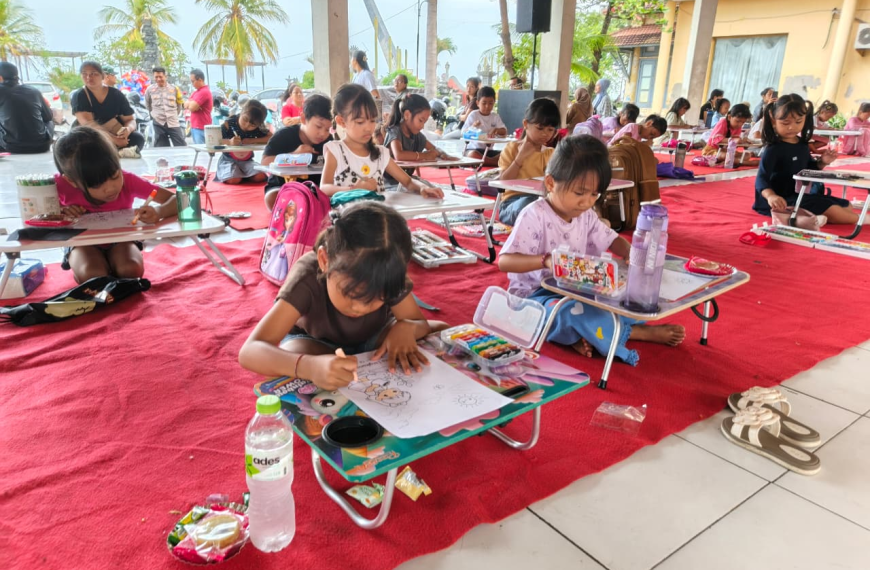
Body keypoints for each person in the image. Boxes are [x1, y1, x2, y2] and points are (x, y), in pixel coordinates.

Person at [498, 135, 685, 364]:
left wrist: (629, 252)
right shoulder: (534, 215)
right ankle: (634, 334)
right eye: (579, 193)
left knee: (620, 299)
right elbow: (505, 261)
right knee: (559, 313)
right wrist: (546, 261)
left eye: (594, 194)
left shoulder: (586, 215)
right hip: (536, 295)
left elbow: (613, 239)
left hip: (577, 289)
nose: (586, 202)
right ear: (550, 183)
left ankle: (580, 336)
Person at [239, 201, 448, 387]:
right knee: (289, 355)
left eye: (378, 298)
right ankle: (327, 366)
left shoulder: (389, 272)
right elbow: (250, 351)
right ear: (324, 261)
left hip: (374, 339)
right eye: (353, 294)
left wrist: (405, 328)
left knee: (441, 332)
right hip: (317, 344)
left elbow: (418, 322)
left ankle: (345, 364)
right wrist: (308, 367)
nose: (360, 308)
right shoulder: (306, 276)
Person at [53, 127, 177, 283]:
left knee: (131, 270)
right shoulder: (59, 185)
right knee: (93, 276)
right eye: (97, 185)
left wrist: (159, 212)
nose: (110, 188)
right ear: (72, 181)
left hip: (121, 240)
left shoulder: (128, 180)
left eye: (114, 176)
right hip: (81, 242)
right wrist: (61, 212)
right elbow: (36, 216)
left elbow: (180, 200)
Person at [320, 83, 443, 198]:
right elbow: (324, 187)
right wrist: (353, 189)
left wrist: (422, 187)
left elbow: (408, 181)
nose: (368, 128)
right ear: (341, 121)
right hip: (347, 218)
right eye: (360, 122)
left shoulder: (380, 153)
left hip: (377, 218)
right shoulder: (336, 150)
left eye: (372, 120)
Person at [754, 94, 857, 225]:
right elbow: (761, 178)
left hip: (800, 194)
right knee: (835, 211)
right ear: (773, 120)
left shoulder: (802, 145)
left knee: (846, 205)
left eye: (798, 122)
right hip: (781, 198)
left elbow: (808, 169)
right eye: (785, 123)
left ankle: (813, 217)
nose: (792, 127)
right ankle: (860, 220)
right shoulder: (773, 149)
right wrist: (771, 196)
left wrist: (822, 162)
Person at [262, 94, 334, 209]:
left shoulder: (328, 141)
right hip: (283, 186)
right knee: (272, 199)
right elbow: (265, 162)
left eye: (327, 129)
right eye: (318, 126)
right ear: (304, 119)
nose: (323, 134)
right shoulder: (283, 135)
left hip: (316, 188)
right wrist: (294, 155)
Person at [496, 98, 561, 226]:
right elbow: (503, 183)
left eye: (550, 130)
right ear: (526, 124)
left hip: (541, 200)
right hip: (512, 203)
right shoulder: (512, 148)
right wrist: (520, 157)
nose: (545, 134)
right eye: (540, 128)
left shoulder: (550, 153)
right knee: (528, 205)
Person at [71, 61, 144, 158]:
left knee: (137, 139)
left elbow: (130, 119)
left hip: (113, 130)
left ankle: (113, 153)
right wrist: (114, 140)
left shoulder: (116, 94)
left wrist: (127, 130)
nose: (88, 77)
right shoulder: (79, 95)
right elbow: (89, 125)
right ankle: (114, 153)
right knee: (87, 145)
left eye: (93, 74)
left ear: (102, 76)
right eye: (84, 74)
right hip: (92, 135)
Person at [383, 93, 456, 186]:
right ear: (407, 115)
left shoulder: (416, 135)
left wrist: (444, 155)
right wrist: (424, 156)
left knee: (431, 189)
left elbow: (434, 149)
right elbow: (399, 155)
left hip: (406, 180)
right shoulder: (395, 131)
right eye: (420, 120)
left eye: (424, 122)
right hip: (389, 182)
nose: (422, 126)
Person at [0, 62, 53, 154]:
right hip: (42, 146)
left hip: (11, 148)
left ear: (0, 77)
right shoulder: (34, 91)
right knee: (49, 122)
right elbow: (48, 117)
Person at [215, 99, 272, 184]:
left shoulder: (258, 129)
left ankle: (244, 175)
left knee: (260, 176)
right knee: (234, 179)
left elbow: (271, 137)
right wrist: (229, 142)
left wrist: (253, 140)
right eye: (245, 119)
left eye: (252, 125)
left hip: (247, 161)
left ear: (258, 124)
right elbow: (215, 140)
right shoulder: (229, 124)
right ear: (241, 112)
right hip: (228, 160)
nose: (247, 125)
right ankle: (242, 176)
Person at [461, 86, 507, 167]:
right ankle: (495, 162)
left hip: (488, 150)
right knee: (472, 155)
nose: (487, 106)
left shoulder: (495, 116)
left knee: (506, 153)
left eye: (490, 103)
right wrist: (473, 126)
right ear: (478, 103)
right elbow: (463, 132)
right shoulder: (474, 114)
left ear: (494, 103)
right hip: (474, 149)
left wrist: (497, 130)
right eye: (484, 103)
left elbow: (504, 131)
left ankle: (484, 161)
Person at [144, 66, 186, 147]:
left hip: (173, 122)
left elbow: (179, 105)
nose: (158, 79)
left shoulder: (174, 89)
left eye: (160, 77)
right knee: (162, 148)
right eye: (156, 77)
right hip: (159, 123)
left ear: (165, 76)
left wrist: (174, 115)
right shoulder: (149, 90)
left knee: (181, 145)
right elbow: (148, 105)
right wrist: (155, 115)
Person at [184, 69, 212, 145]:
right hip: (195, 126)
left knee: (202, 153)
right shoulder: (196, 92)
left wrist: (191, 104)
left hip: (201, 127)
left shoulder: (204, 92)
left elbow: (191, 107)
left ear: (199, 80)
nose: (192, 84)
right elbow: (186, 104)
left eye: (193, 81)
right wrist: (192, 104)